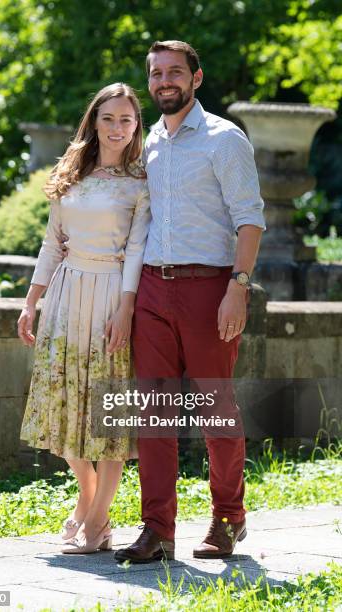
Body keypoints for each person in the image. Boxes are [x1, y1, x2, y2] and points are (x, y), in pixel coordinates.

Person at [114, 40, 266, 564]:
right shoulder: (149, 142)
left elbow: (250, 218)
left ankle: (228, 518)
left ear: (196, 78)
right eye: (156, 74)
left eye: (175, 72)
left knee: (216, 412)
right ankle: (158, 529)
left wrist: (237, 288)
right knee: (153, 414)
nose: (164, 82)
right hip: (154, 289)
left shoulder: (225, 140)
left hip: (210, 289)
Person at [18, 83, 150, 555]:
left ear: (137, 126)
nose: (117, 128)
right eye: (109, 118)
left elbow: (136, 248)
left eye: (127, 120)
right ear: (94, 121)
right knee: (62, 400)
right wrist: (31, 301)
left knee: (109, 412)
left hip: (112, 293)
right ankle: (89, 495)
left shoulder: (140, 182)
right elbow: (52, 242)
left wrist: (127, 306)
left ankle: (96, 525)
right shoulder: (69, 173)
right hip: (65, 294)